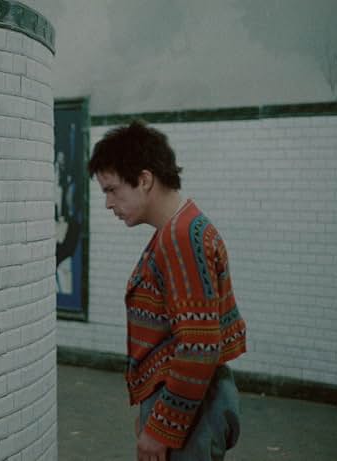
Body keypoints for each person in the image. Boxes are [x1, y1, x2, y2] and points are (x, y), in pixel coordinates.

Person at [88, 120, 247, 461]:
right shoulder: (181, 229)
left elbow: (199, 346)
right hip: (192, 402)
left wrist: (160, 427)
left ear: (144, 180)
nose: (108, 203)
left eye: (112, 189)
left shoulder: (180, 239)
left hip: (193, 410)